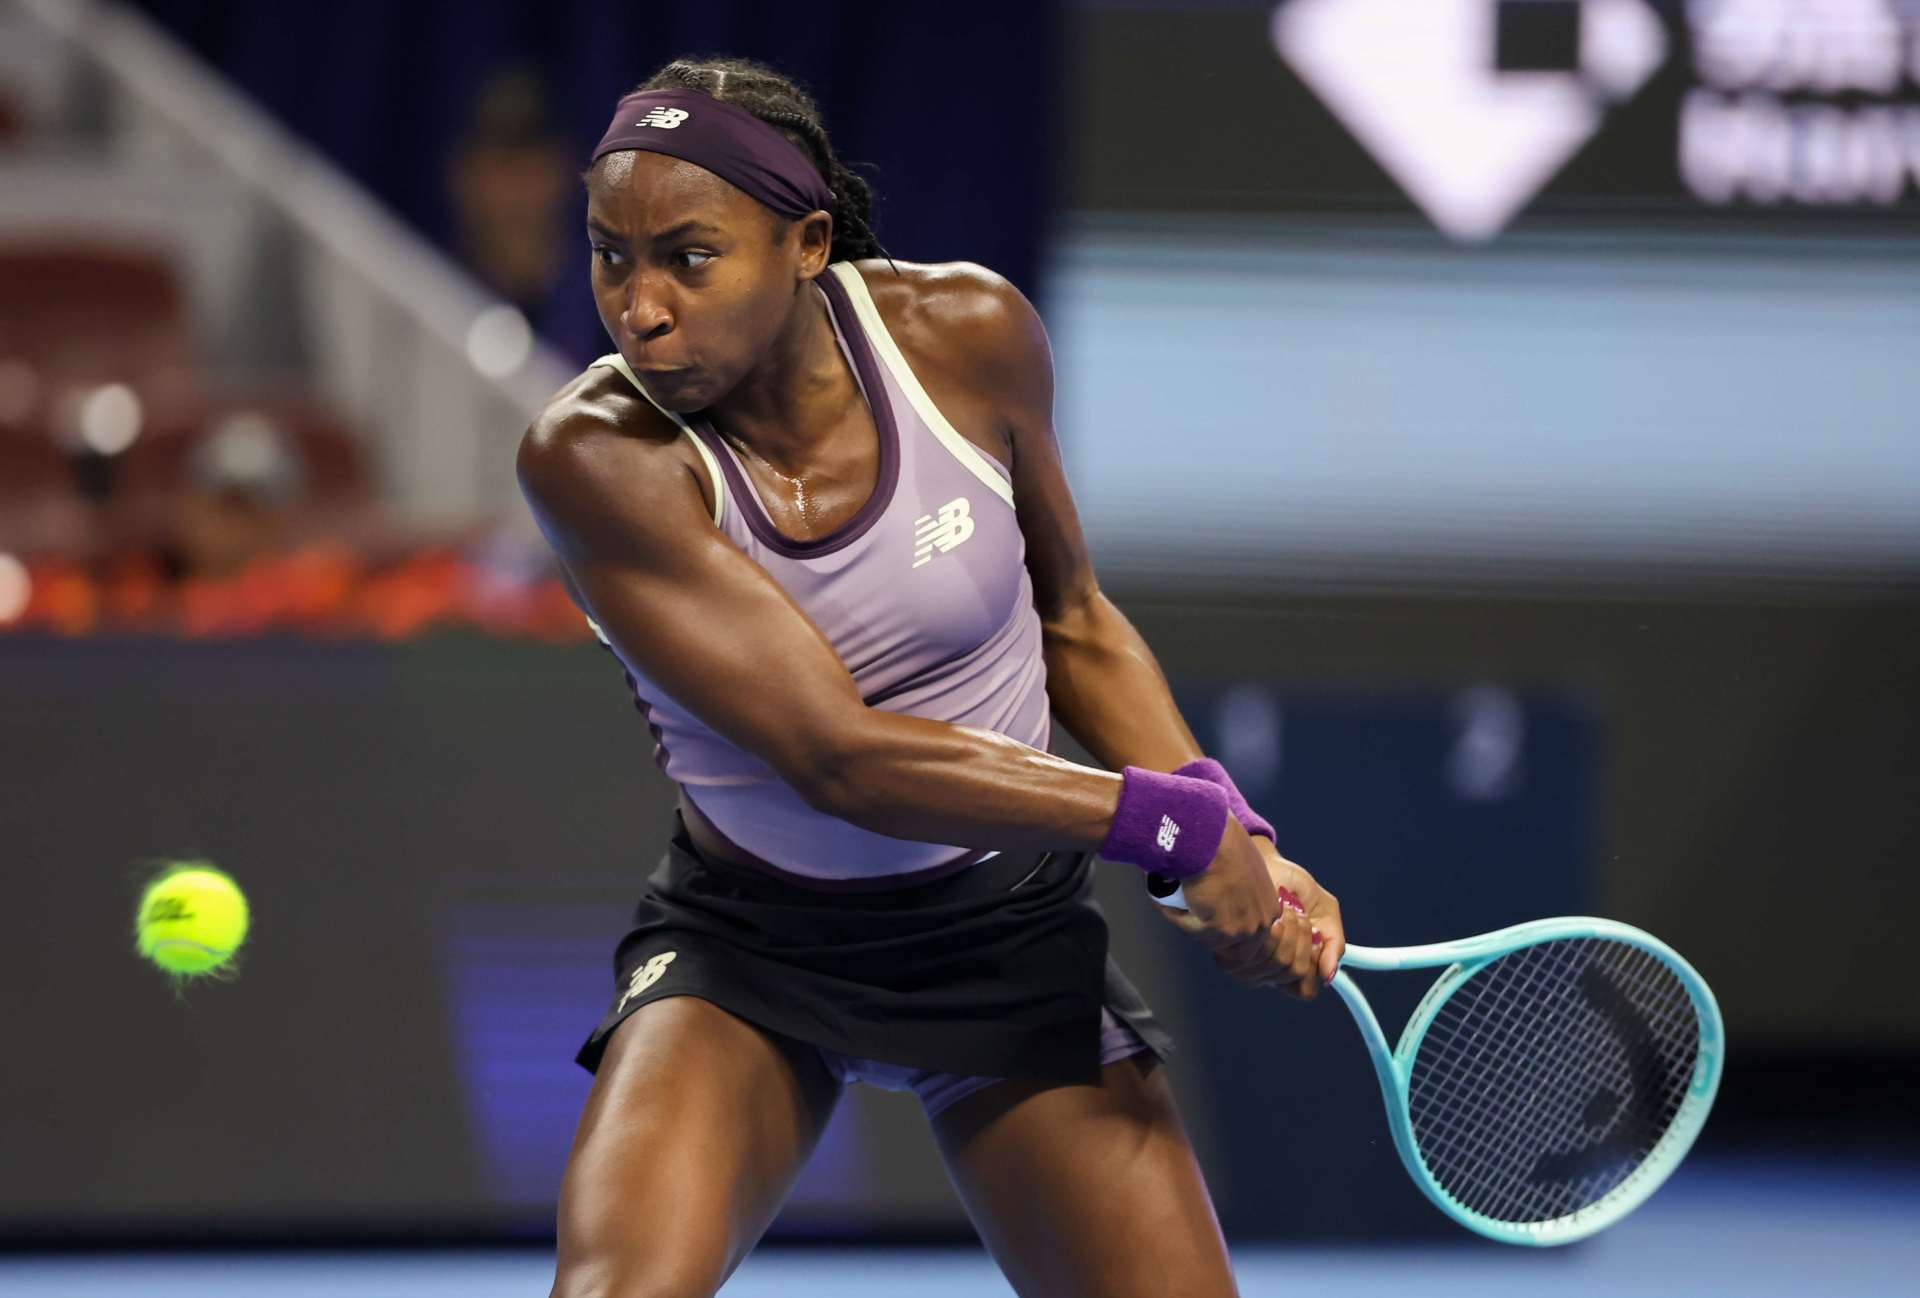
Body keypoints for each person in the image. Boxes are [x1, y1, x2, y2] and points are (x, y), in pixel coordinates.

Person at [516, 55, 1346, 1298]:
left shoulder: (968, 335)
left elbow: (1073, 620)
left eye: (689, 258)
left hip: (1003, 934)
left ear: (807, 243)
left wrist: (1235, 826)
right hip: (752, 950)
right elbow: (838, 757)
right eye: (609, 256)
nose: (639, 309)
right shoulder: (595, 455)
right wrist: (1172, 824)